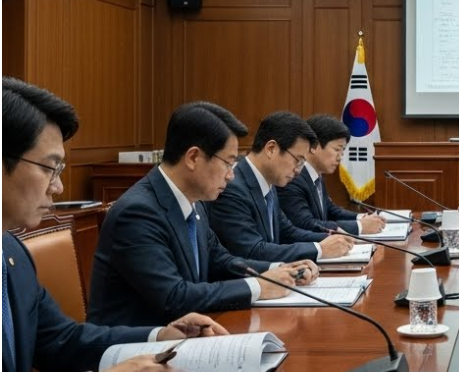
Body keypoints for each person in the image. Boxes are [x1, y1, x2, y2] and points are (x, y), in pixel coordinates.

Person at [2, 77, 228, 372]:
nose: (58, 187)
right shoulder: (138, 210)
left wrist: (161, 336)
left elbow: (62, 340)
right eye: (49, 168)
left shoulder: (12, 251)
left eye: (60, 170)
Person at [89, 102, 319, 327]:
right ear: (193, 157)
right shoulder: (138, 213)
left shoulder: (194, 203)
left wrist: (278, 270)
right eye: (228, 163)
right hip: (140, 344)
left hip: (188, 333)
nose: (231, 175)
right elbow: (174, 297)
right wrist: (258, 287)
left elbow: (221, 261)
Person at [207, 112, 355, 263]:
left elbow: (287, 232)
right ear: (271, 149)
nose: (298, 171)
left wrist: (332, 238)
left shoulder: (269, 183)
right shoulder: (233, 189)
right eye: (298, 160)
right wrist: (319, 249)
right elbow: (252, 250)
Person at [278, 115, 385, 235]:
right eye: (337, 150)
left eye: (343, 151)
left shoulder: (316, 175)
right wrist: (359, 226)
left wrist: (361, 217)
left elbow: (330, 210)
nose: (340, 157)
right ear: (314, 146)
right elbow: (305, 224)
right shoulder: (292, 178)